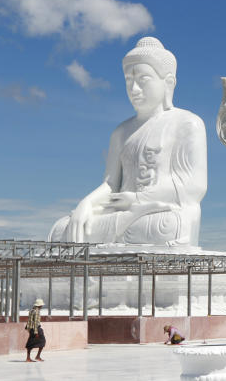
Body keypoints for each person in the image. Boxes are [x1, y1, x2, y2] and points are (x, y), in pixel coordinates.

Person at [50, 37, 208, 246]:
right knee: (62, 229)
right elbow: (110, 184)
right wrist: (86, 203)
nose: (134, 89)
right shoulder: (121, 132)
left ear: (168, 83)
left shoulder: (187, 123)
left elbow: (194, 187)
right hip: (120, 213)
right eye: (128, 81)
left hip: (160, 215)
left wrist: (137, 199)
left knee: (168, 226)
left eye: (143, 80)